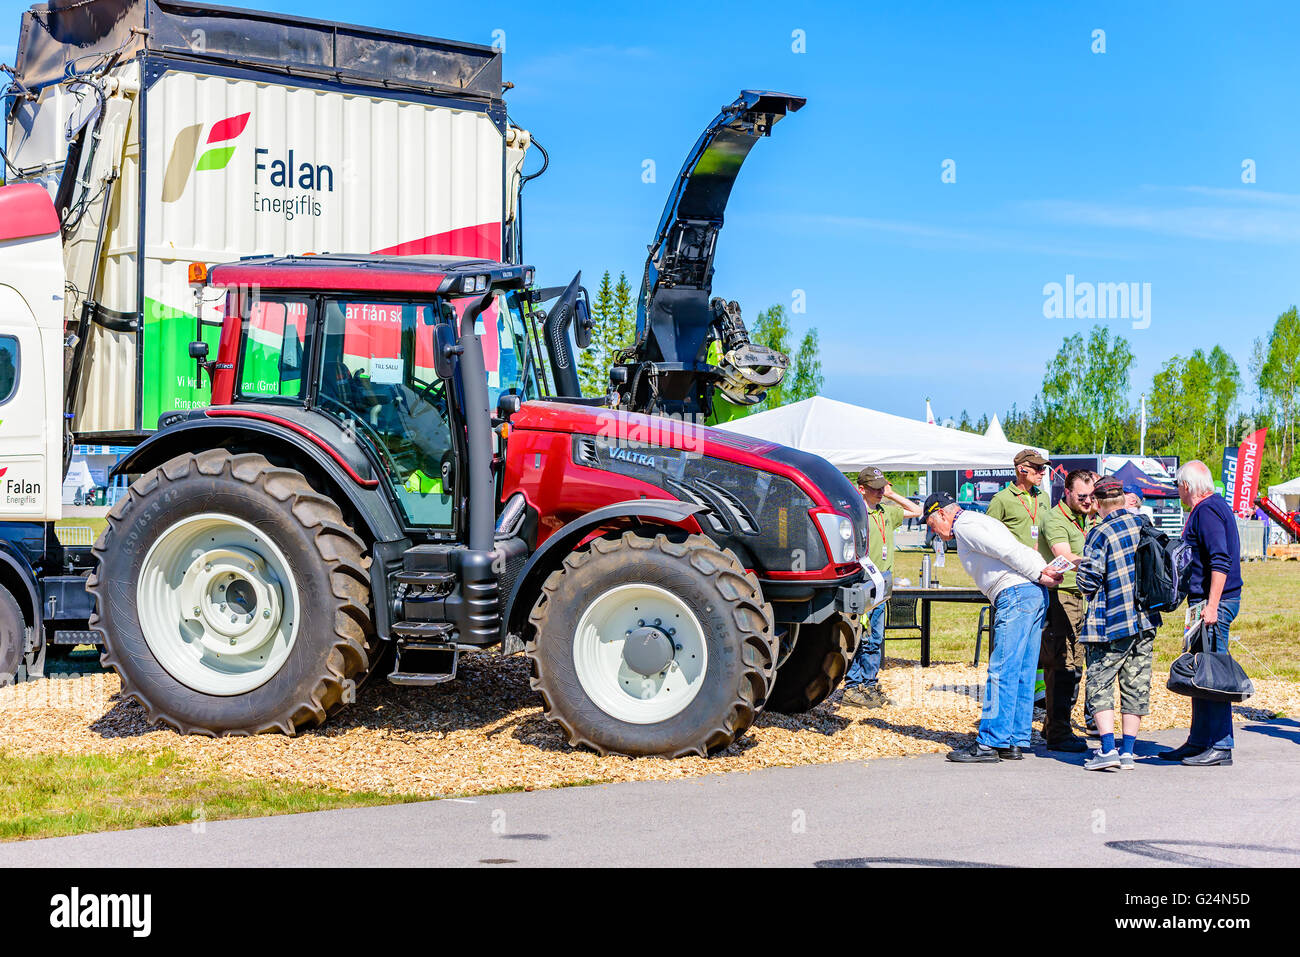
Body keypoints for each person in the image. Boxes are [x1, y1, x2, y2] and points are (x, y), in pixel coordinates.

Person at [923, 492, 1063, 762]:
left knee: (1003, 669)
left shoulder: (965, 526)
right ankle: (1013, 740)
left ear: (942, 513)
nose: (935, 533)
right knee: (1023, 669)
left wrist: (1038, 573)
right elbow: (1018, 547)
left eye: (931, 525)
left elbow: (1007, 551)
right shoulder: (979, 520)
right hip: (1031, 593)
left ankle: (990, 742)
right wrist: (1041, 573)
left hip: (1015, 593)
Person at [1160, 460, 1243, 767]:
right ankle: (1199, 741)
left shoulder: (1207, 511)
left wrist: (1211, 605)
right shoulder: (1213, 507)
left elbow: (1220, 560)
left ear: (1188, 486)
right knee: (1201, 672)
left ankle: (1221, 745)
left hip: (1214, 604)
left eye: (1178, 485)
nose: (1177, 491)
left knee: (1214, 674)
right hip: (1207, 603)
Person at [1075, 477, 1161, 770]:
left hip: (1110, 621)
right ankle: (1128, 751)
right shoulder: (1143, 525)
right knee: (1136, 683)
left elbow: (1089, 580)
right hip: (1146, 619)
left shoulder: (1100, 531)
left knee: (1100, 682)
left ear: (1097, 503)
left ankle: (1108, 749)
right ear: (1124, 499)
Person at [842, 467, 922, 708]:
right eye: (874, 488)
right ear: (861, 489)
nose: (879, 492)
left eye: (881, 487)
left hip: (881, 587)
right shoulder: (856, 514)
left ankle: (870, 684)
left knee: (875, 638)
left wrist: (891, 494)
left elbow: (916, 510)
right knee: (859, 637)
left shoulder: (887, 511)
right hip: (862, 584)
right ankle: (853, 687)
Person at [1038, 469, 1094, 751]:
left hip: (1080, 597)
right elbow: (1064, 555)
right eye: (1082, 497)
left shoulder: (1085, 515)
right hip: (1060, 597)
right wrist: (1099, 561)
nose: (1088, 501)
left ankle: (1054, 726)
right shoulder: (1054, 518)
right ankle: (1058, 733)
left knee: (1076, 665)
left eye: (1091, 496)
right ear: (1067, 493)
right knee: (1062, 666)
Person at [987, 449, 1053, 548]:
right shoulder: (1000, 499)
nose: (1043, 472)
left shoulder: (1044, 496)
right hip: (1014, 561)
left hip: (1042, 560)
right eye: (1038, 468)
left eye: (1043, 467)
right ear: (1021, 469)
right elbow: (988, 534)